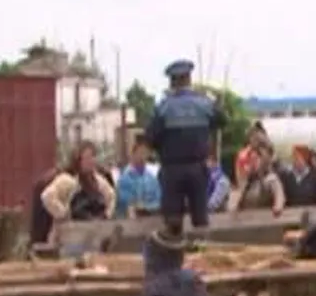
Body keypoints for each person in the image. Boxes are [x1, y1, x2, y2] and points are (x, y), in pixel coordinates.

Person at [144, 59, 227, 240]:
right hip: (197, 168)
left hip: (172, 169)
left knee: (173, 220)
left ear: (172, 81)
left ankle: (174, 256)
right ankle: (202, 255)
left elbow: (150, 137)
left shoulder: (164, 107)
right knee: (200, 218)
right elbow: (221, 121)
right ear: (189, 79)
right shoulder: (204, 103)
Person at [40, 141, 117, 229]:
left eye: (93, 156)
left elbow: (111, 196)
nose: (92, 161)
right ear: (78, 160)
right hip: (69, 233)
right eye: (88, 158)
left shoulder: (98, 180)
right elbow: (47, 196)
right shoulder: (67, 180)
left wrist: (106, 216)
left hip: (93, 232)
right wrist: (63, 214)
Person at [228, 146, 286, 215]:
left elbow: (279, 194)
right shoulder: (244, 181)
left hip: (265, 219)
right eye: (250, 160)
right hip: (246, 221)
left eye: (255, 159)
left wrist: (278, 207)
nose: (253, 163)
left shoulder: (270, 178)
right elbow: (232, 205)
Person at [115, 138, 161, 217]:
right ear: (132, 155)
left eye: (145, 153)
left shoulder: (152, 179)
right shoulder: (124, 179)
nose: (142, 156)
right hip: (130, 219)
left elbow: (159, 199)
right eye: (140, 153)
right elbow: (125, 201)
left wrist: (148, 207)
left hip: (151, 217)